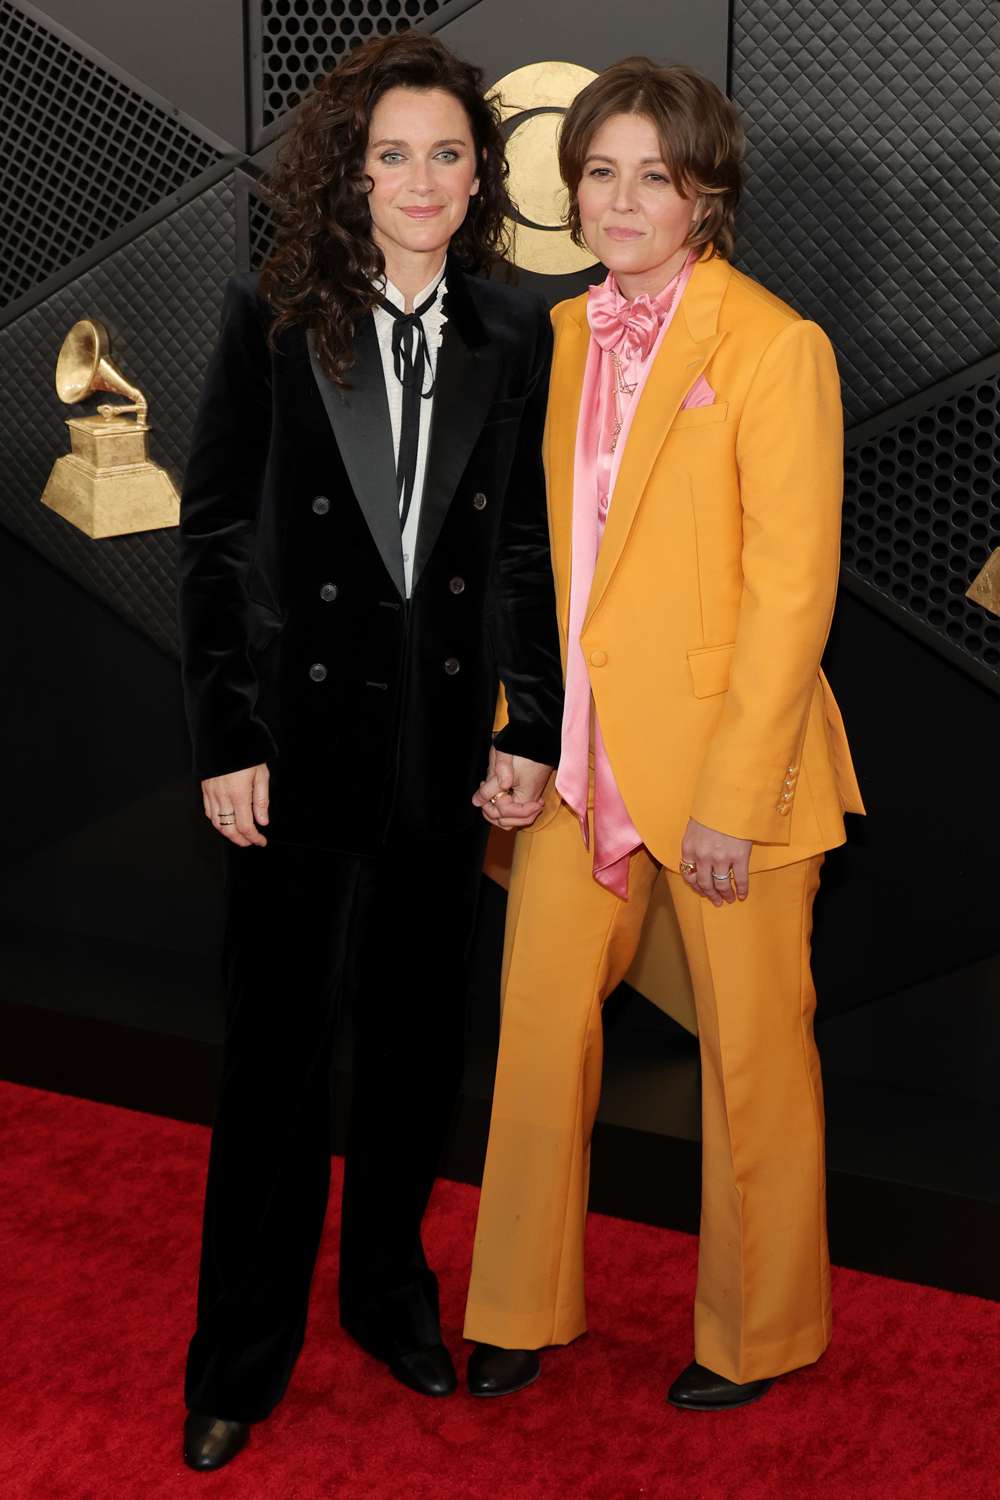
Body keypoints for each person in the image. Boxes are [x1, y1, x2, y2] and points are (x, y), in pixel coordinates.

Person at [176, 32, 562, 1471]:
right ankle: (238, 1356)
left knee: (412, 1054)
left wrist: (533, 720)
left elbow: (518, 546)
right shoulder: (268, 311)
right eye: (391, 152)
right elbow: (214, 534)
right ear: (349, 170)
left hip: (447, 754)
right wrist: (229, 734)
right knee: (274, 1066)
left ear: (479, 175)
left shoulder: (514, 331)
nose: (421, 178)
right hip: (295, 748)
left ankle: (391, 1295)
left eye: (447, 153)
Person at [463, 58, 864, 1411]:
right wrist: (518, 734)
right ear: (567, 188)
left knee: (752, 1057)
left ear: (706, 191)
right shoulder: (552, 337)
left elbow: (791, 596)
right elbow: (532, 563)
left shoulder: (773, 345)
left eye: (655, 173)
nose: (624, 199)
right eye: (599, 171)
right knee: (534, 1035)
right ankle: (517, 1304)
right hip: (573, 764)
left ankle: (757, 1334)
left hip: (722, 771)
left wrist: (731, 798)